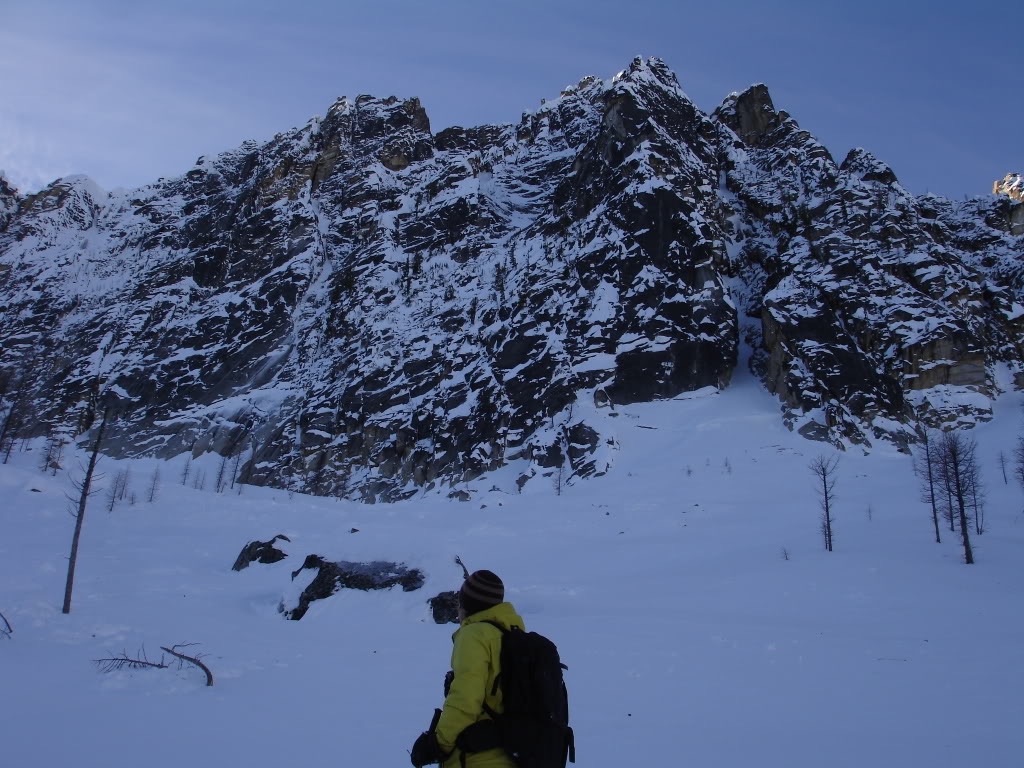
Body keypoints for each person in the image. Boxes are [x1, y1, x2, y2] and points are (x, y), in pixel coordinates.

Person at [411, 570, 524, 768]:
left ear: (468, 606)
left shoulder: (474, 635)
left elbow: (465, 698)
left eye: (460, 603)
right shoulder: (513, 635)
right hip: (515, 756)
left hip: (478, 759)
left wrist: (438, 744)